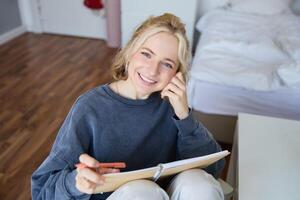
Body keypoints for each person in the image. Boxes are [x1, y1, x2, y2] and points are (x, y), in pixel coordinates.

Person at [31, 13, 225, 200]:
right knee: (141, 191)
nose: (152, 70)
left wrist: (185, 117)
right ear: (130, 51)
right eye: (147, 54)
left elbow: (213, 169)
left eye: (166, 64)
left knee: (199, 183)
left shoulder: (173, 107)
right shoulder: (90, 107)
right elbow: (42, 191)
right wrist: (76, 183)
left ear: (177, 74)